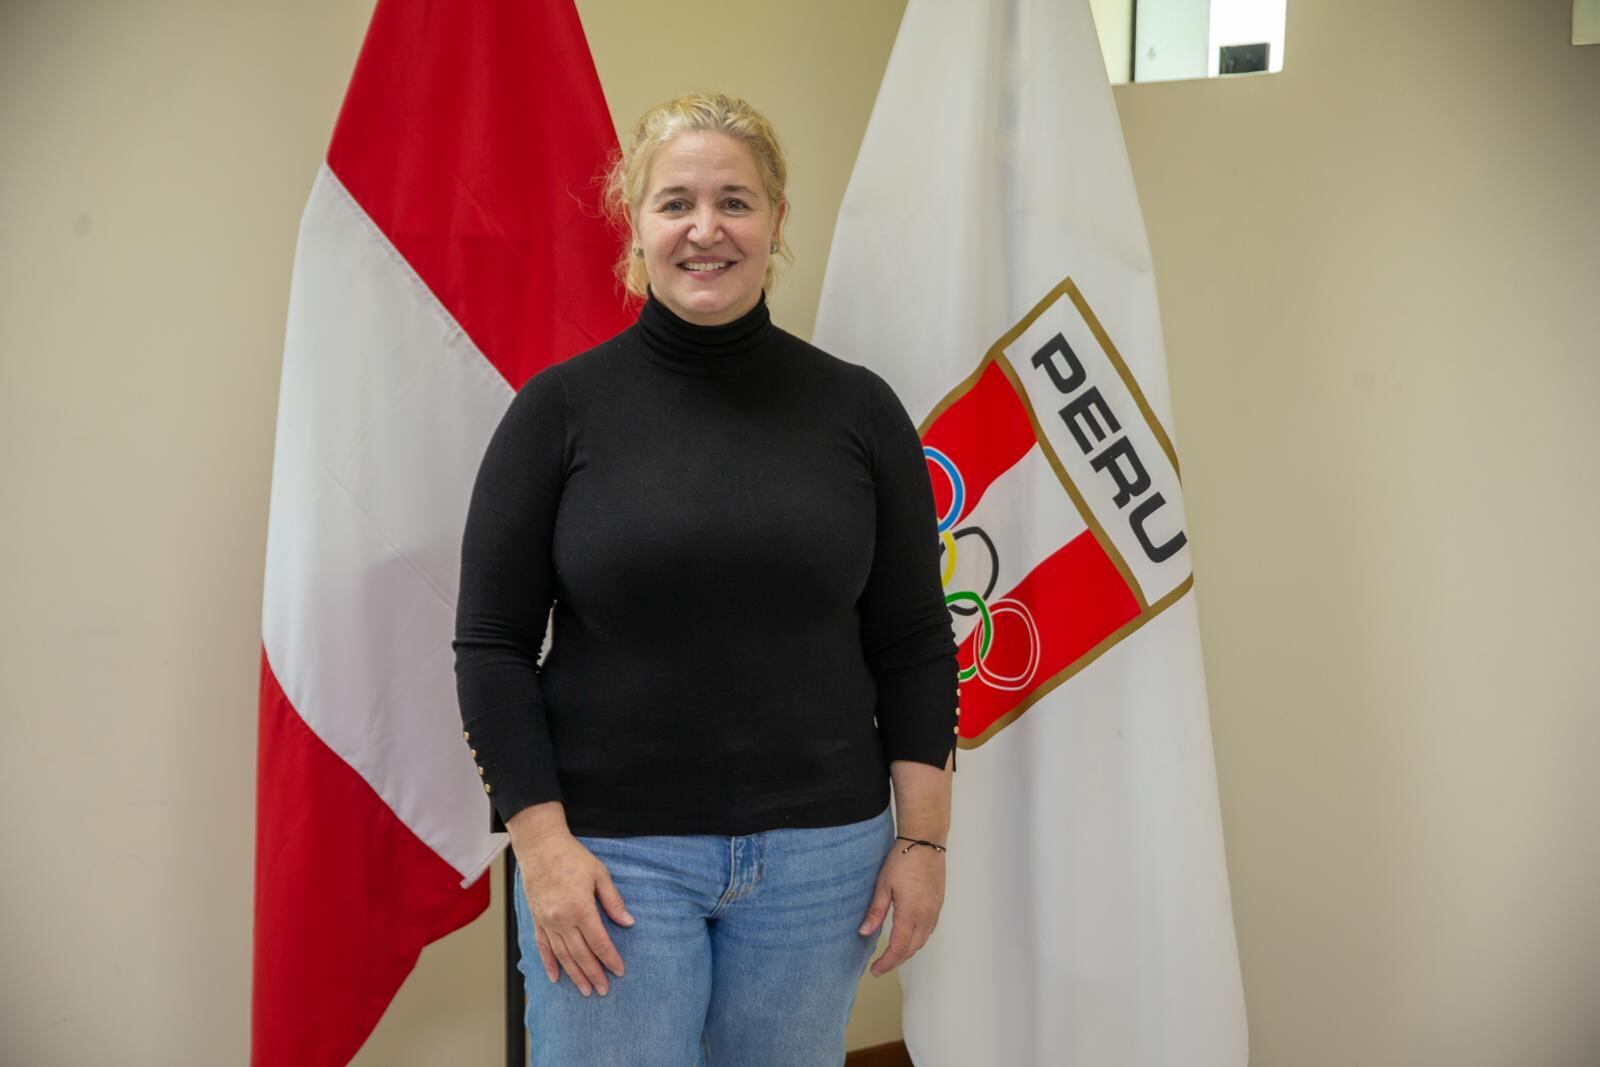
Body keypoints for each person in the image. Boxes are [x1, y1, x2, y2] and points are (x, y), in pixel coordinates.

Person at [452, 91, 958, 1067]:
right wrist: (543, 848)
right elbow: (491, 645)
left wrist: (923, 842)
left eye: (735, 200)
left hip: (823, 861)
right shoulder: (557, 411)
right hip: (611, 858)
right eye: (675, 201)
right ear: (634, 225)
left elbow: (912, 638)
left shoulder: (858, 409)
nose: (705, 227)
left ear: (776, 223)